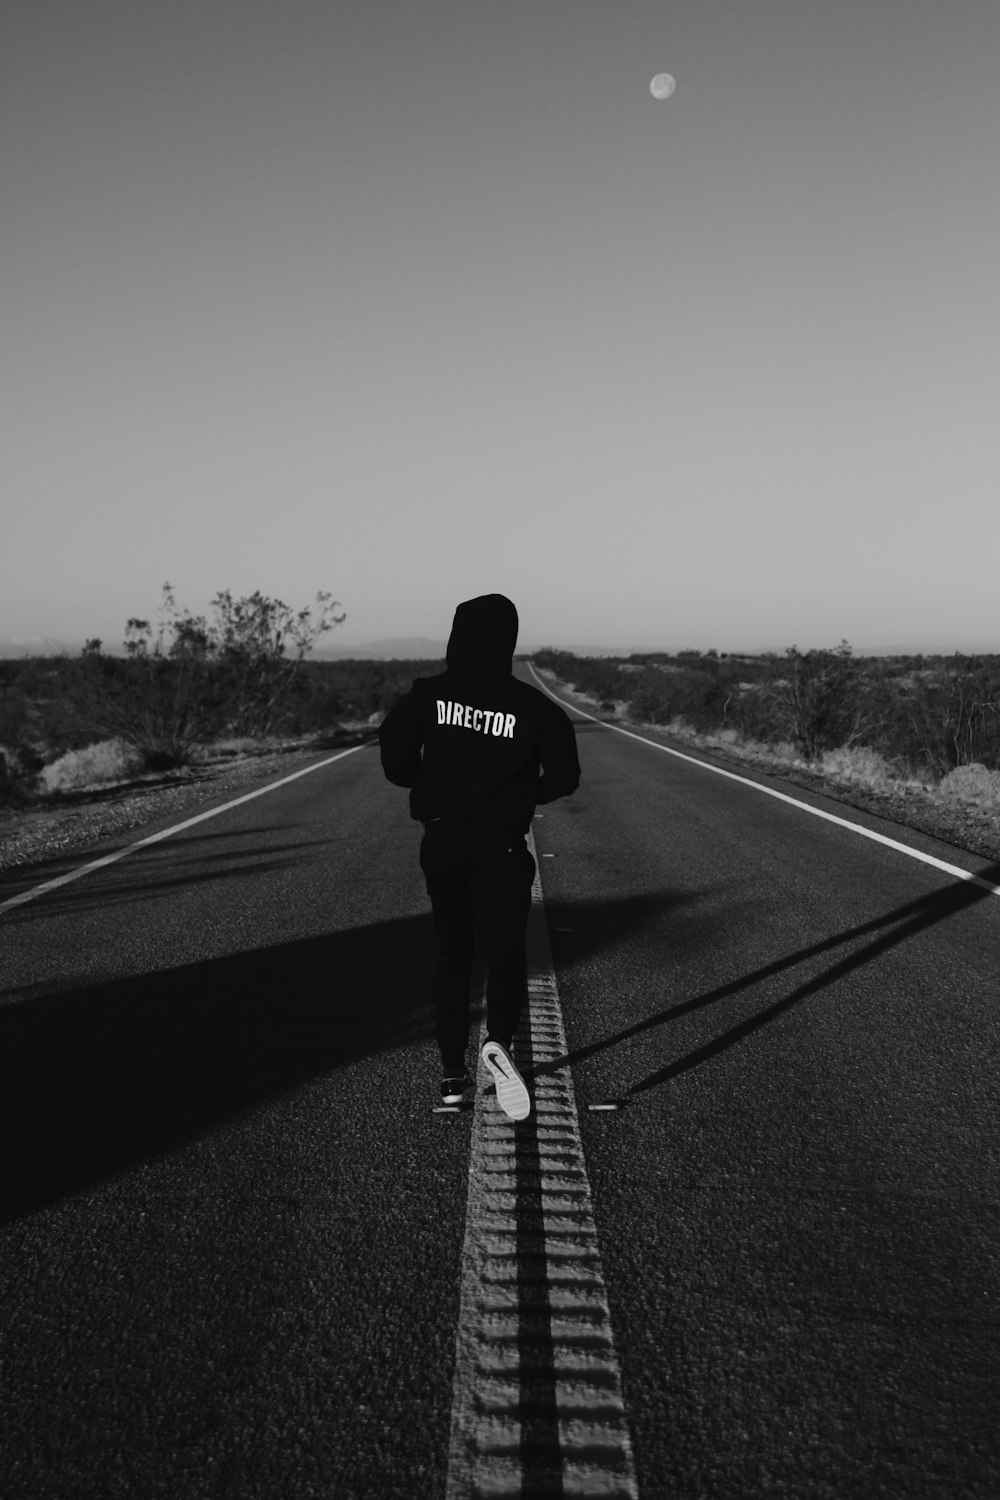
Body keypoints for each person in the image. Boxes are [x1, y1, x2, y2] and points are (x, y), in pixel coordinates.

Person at [378, 594, 580, 1119]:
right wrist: (522, 794)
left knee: (452, 954)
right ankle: (499, 1042)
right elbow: (565, 776)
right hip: (502, 843)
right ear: (507, 642)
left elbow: (396, 761)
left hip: (442, 840)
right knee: (504, 951)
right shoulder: (534, 707)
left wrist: (431, 782)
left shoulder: (428, 695)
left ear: (456, 636)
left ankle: (450, 1076)